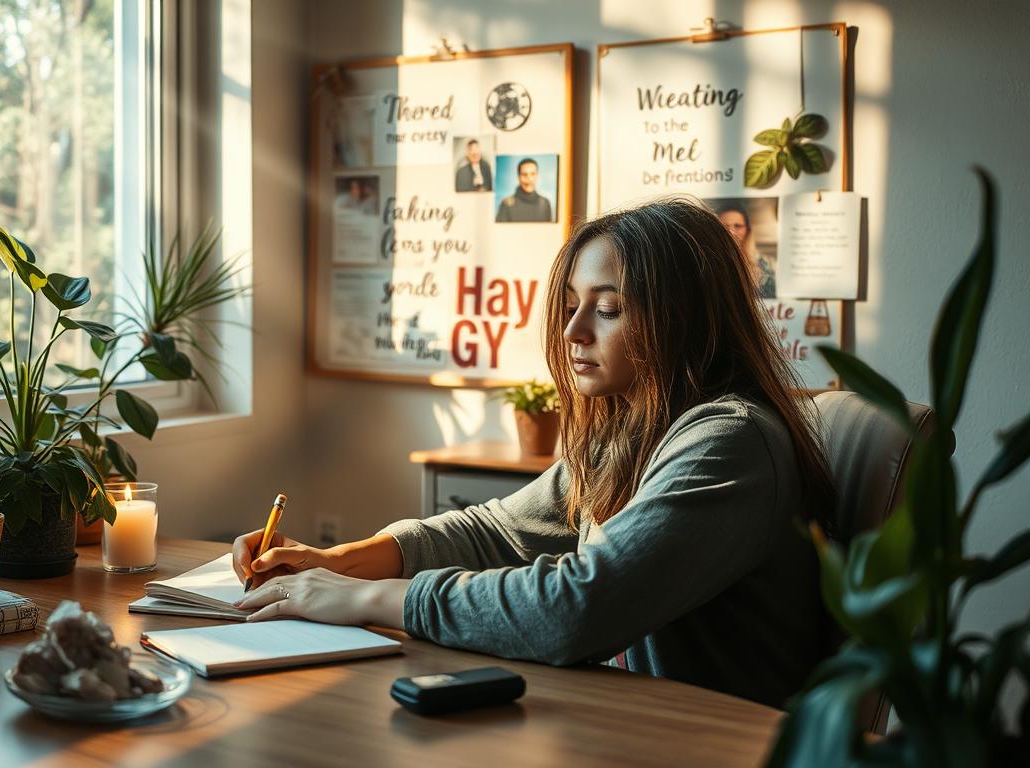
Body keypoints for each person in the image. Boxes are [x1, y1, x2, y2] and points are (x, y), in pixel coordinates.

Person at [232, 198, 837, 708]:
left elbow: (577, 606)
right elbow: (498, 532)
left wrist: (367, 598)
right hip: (624, 722)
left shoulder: (728, 443)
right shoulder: (632, 427)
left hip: (714, 743)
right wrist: (338, 562)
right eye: (572, 304)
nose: (573, 330)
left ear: (688, 320)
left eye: (607, 309)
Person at [715, 202, 776, 298]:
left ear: (748, 229)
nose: (731, 231)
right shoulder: (708, 262)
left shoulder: (768, 263)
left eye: (738, 226)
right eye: (725, 226)